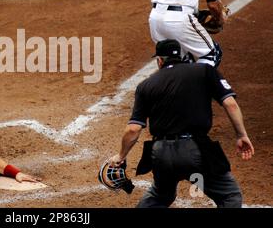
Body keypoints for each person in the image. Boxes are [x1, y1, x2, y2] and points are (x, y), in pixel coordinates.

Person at [108, 39, 254, 208]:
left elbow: (133, 129)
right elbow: (230, 104)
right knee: (230, 195)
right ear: (183, 56)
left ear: (160, 60)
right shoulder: (204, 71)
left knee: (160, 195)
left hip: (160, 153)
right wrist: (241, 135)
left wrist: (121, 155)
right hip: (195, 150)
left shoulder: (145, 85)